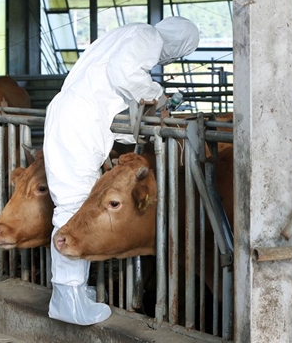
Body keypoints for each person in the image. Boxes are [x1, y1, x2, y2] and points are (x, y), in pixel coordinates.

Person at [43, 16, 200, 326]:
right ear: (179, 42)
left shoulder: (123, 35)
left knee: (75, 204)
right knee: (73, 207)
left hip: (75, 117)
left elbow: (113, 93)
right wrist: (158, 94)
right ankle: (67, 298)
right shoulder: (147, 36)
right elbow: (123, 73)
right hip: (78, 123)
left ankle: (73, 290)